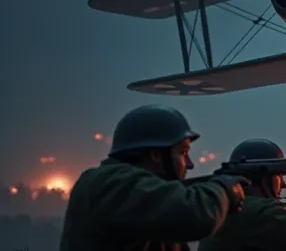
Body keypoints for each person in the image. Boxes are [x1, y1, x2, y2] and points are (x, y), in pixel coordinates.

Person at [59, 104, 248, 251]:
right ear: (156, 155)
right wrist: (224, 189)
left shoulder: (140, 196)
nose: (190, 164)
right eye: (183, 153)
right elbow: (198, 216)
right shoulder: (110, 182)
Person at [198, 138, 286, 251]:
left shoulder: (235, 205)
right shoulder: (253, 210)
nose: (284, 184)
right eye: (279, 176)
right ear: (263, 178)